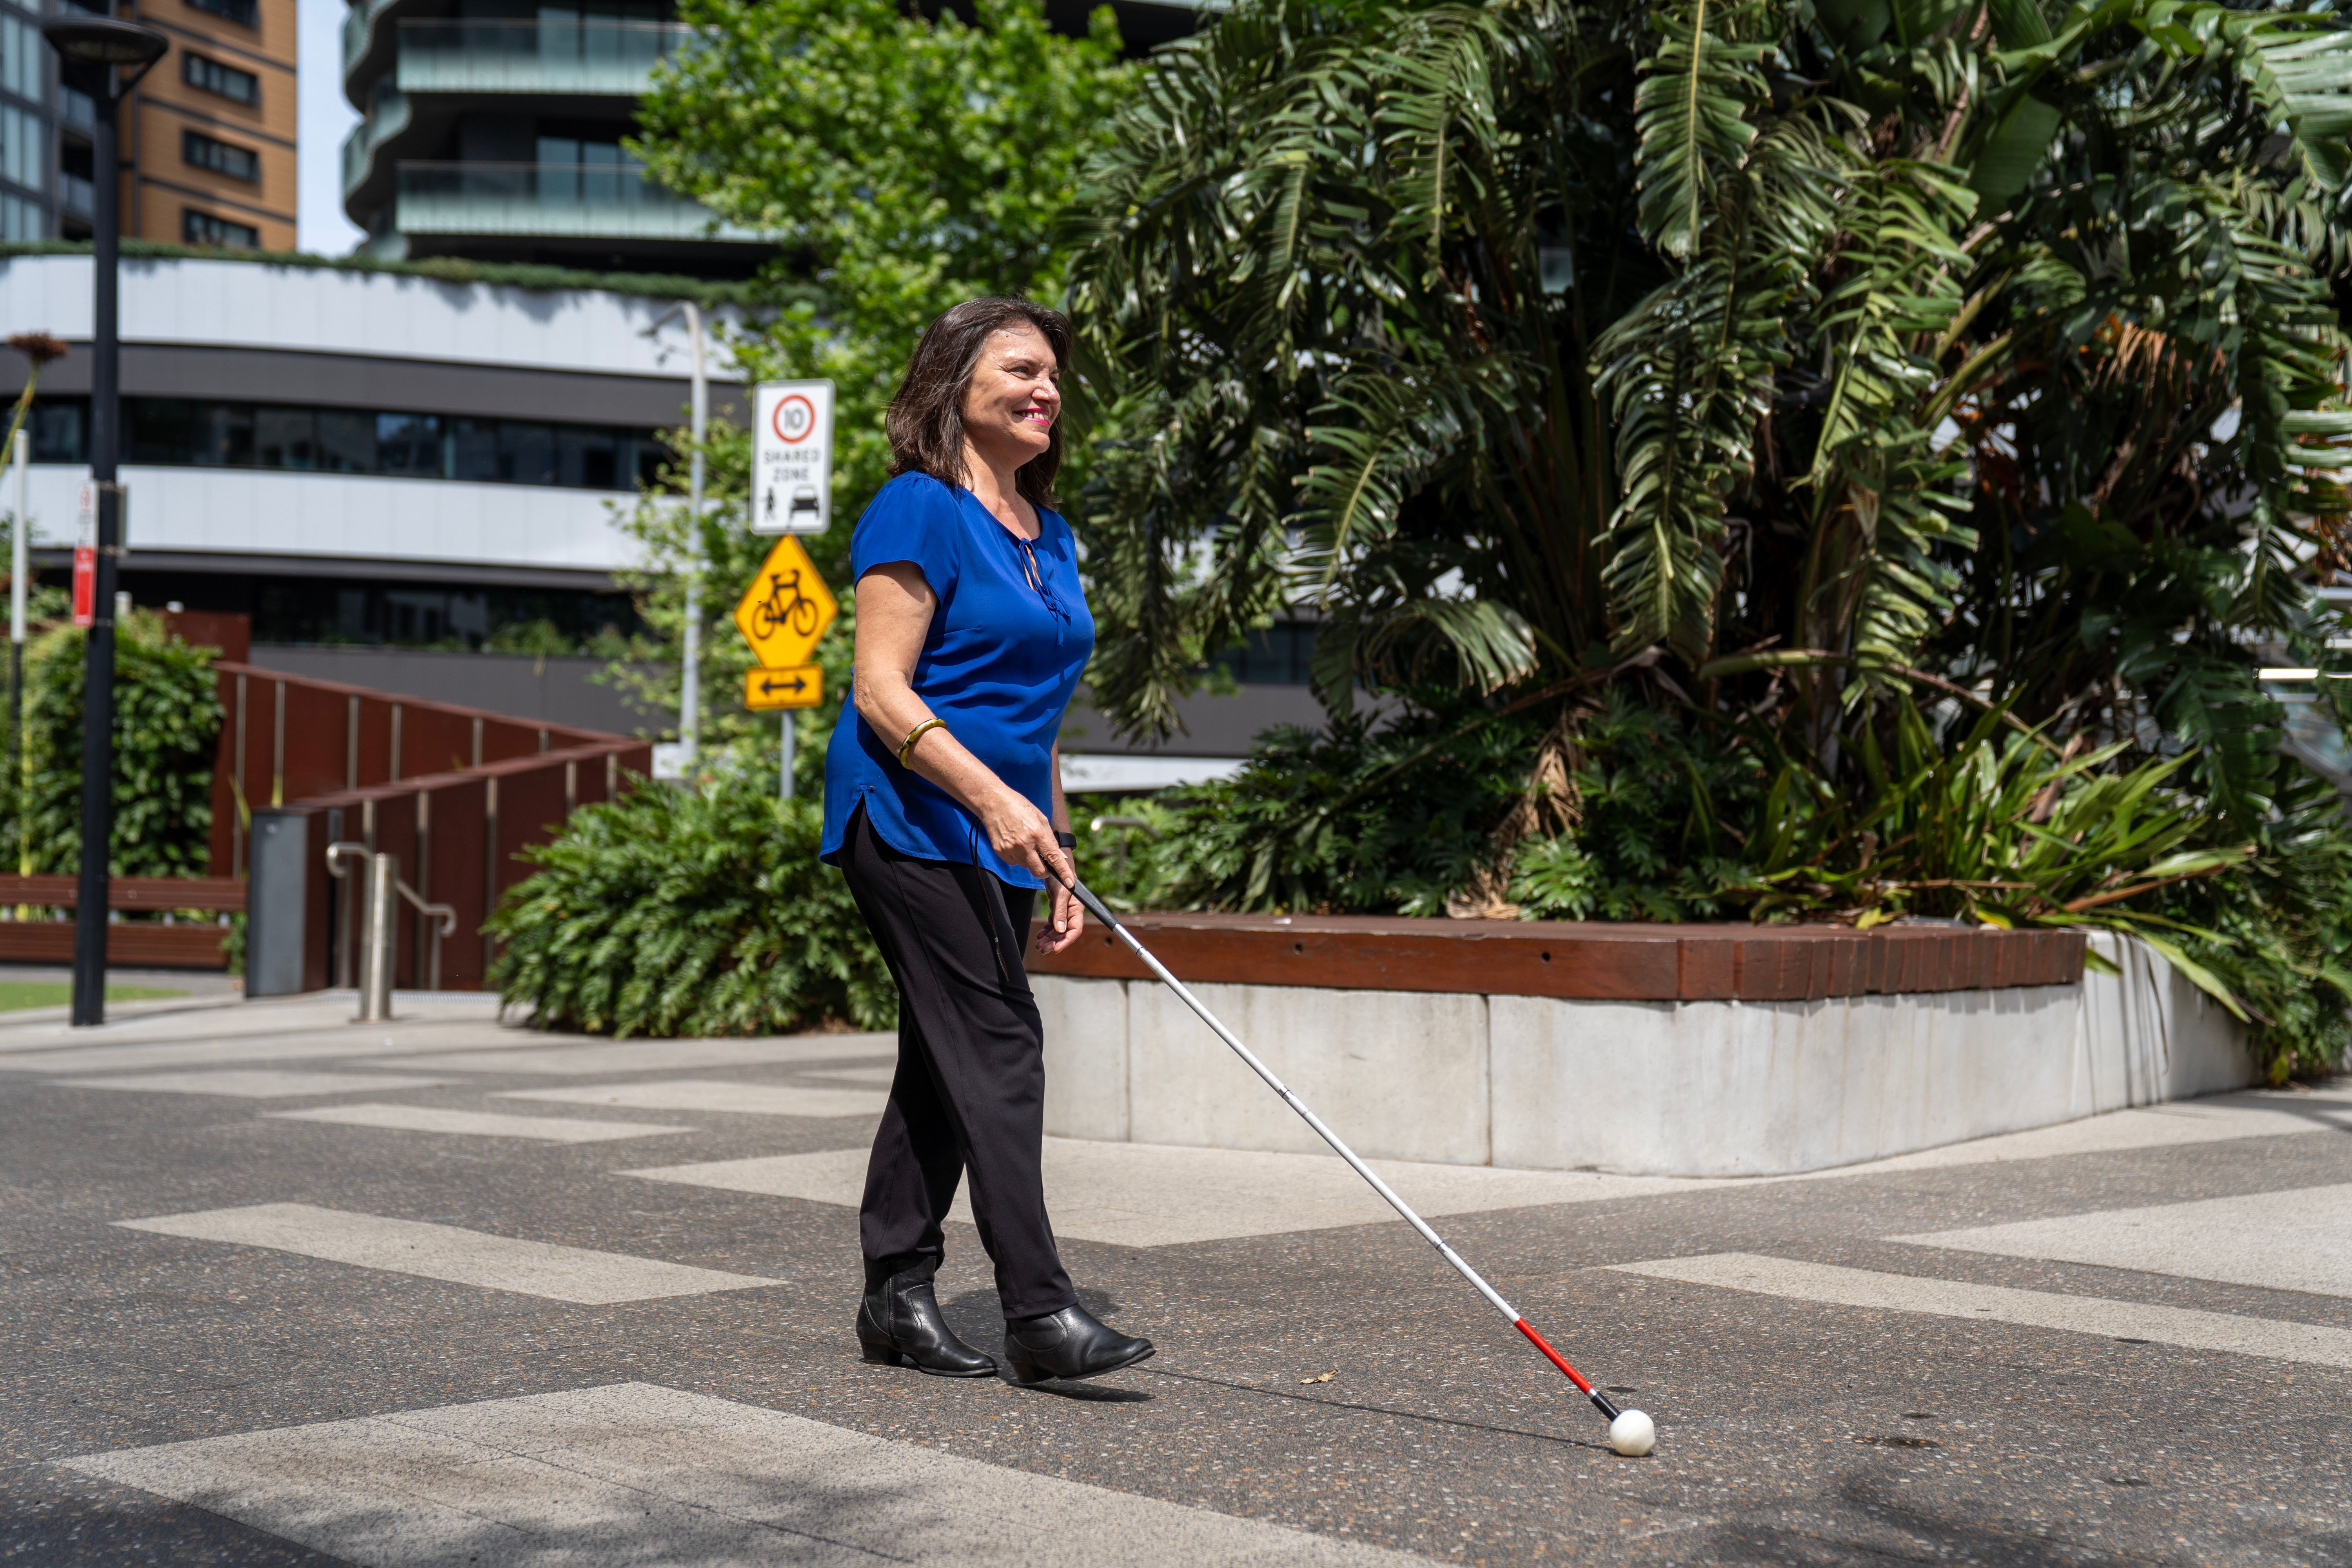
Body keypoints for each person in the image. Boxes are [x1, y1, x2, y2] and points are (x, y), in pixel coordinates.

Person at [818, 297, 1154, 1385]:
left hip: (998, 832)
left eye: (1054, 373)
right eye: (1020, 368)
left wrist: (1050, 836)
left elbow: (1036, 709)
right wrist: (991, 803)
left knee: (946, 1060)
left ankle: (896, 1294)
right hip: (908, 816)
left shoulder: (1050, 534)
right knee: (1001, 1043)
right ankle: (1041, 1315)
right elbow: (879, 690)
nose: (1046, 388)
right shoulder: (918, 509)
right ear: (955, 385)